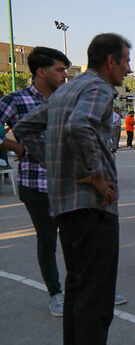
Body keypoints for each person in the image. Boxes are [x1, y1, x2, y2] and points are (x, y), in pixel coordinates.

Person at [14, 33, 135, 345]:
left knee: (79, 288)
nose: (129, 69)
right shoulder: (98, 89)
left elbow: (25, 129)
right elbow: (79, 127)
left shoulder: (67, 90)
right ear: (111, 61)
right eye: (126, 61)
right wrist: (93, 174)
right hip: (92, 205)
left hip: (68, 202)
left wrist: (59, 167)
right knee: (96, 291)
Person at [0, 47, 70, 315]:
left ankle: (86, 290)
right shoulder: (16, 100)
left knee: (78, 238)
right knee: (48, 240)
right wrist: (14, 147)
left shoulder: (66, 99)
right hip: (36, 183)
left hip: (70, 182)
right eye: (60, 70)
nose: (65, 75)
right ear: (40, 72)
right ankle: (56, 294)